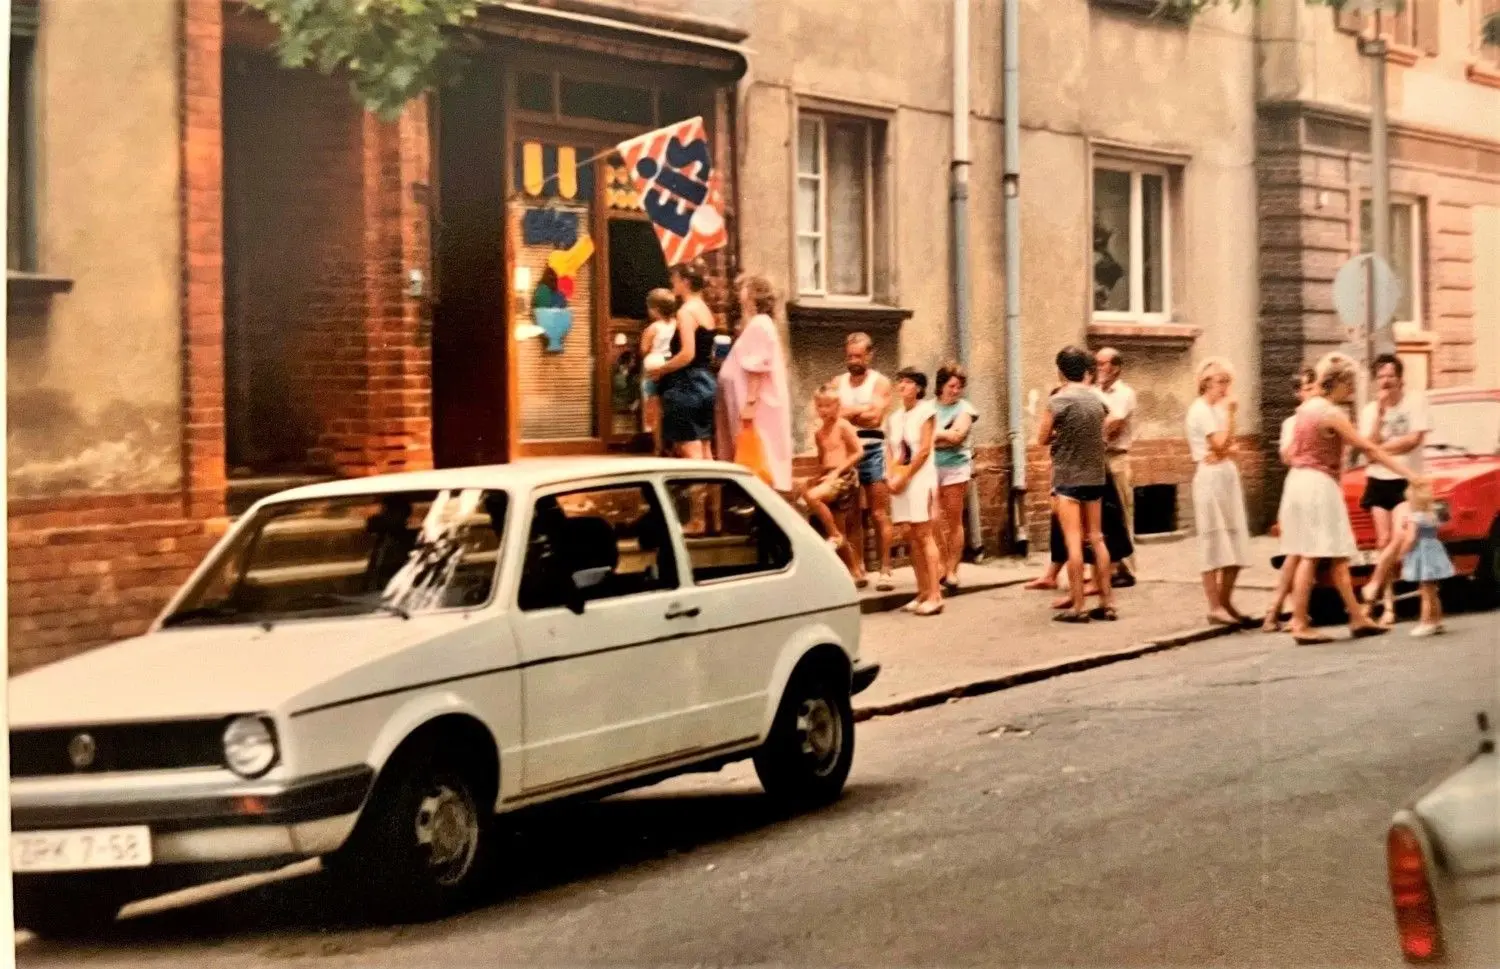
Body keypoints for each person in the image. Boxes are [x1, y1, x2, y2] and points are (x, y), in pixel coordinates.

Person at [1279, 352, 1410, 645]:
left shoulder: (1308, 407)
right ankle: (1300, 621)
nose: (1351, 390)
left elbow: (1290, 452)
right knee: (1312, 554)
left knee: (1335, 555)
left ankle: (1357, 616)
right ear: (1337, 381)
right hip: (1318, 484)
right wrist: (1409, 475)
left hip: (1298, 482)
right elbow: (1369, 449)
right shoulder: (1331, 414)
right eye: (1349, 383)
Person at [1035, 346, 1116, 623]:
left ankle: (1079, 606)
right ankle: (1107, 602)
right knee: (1097, 537)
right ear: (1086, 371)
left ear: (1060, 371)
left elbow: (1042, 438)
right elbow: (1102, 431)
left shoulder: (1058, 400)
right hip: (1095, 476)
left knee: (1073, 542)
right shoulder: (1097, 401)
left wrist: (1060, 434)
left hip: (1068, 477)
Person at [1354, 354, 1430, 624]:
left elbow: (1413, 440)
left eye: (1390, 376)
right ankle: (1387, 607)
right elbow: (1366, 444)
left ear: (1400, 377)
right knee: (1383, 542)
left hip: (1405, 481)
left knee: (1402, 536)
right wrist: (1381, 414)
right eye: (1381, 377)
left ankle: (1373, 586)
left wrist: (1377, 451)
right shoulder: (1370, 410)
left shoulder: (1415, 401)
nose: (1386, 381)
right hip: (1378, 480)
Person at [1186, 359, 1253, 627]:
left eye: (1228, 381)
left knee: (1235, 539)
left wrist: (1226, 447)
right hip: (1210, 479)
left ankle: (1225, 601)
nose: (1226, 387)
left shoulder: (1219, 410)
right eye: (1221, 381)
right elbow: (1222, 444)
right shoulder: (1200, 410)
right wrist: (1232, 418)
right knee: (1213, 542)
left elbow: (1227, 447)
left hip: (1226, 475)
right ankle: (1214, 605)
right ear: (1206, 383)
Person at [716, 274, 793, 494]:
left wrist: (750, 402)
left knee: (758, 449)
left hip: (756, 405)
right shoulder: (758, 324)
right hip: (751, 401)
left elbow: (756, 367)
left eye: (744, 289)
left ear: (752, 295)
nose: (739, 294)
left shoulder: (759, 324)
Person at [834, 333, 896, 591]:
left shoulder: (879, 382)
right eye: (850, 355)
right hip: (847, 452)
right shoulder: (838, 382)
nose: (853, 361)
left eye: (858, 356)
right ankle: (857, 569)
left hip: (873, 451)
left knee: (879, 513)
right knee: (852, 516)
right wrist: (860, 411)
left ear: (869, 355)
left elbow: (875, 418)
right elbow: (832, 414)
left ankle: (885, 569)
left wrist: (848, 414)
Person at [1263, 367, 1319, 633]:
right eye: (1305, 389)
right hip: (1300, 486)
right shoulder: (1291, 423)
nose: (1310, 393)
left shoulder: (1322, 416)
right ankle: (1290, 613)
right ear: (1298, 393)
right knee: (1300, 552)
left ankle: (1277, 612)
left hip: (1310, 485)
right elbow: (1287, 457)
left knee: (1298, 553)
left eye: (1314, 387)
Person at [886, 367, 943, 616]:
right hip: (900, 480)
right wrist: (891, 476)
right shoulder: (894, 418)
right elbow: (891, 449)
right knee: (909, 535)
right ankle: (921, 592)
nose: (902, 387)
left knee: (923, 533)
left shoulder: (927, 412)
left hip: (920, 479)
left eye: (908, 382)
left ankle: (935, 595)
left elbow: (923, 451)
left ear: (919, 388)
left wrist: (905, 477)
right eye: (900, 382)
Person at [649, 260, 719, 459]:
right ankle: (712, 490)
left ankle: (698, 489)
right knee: (705, 446)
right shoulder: (705, 310)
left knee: (689, 447)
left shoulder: (685, 312)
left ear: (686, 282)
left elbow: (687, 353)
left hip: (688, 385)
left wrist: (661, 369)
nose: (672, 282)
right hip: (706, 382)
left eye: (675, 279)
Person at [804, 385, 864, 572]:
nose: (823, 410)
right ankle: (855, 572)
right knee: (839, 527)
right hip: (829, 477)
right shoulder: (819, 433)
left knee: (813, 497)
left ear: (837, 406)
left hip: (844, 476)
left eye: (827, 406)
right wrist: (817, 477)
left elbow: (858, 452)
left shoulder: (843, 426)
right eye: (819, 406)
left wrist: (837, 471)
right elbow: (823, 460)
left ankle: (834, 534)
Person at [932, 362, 978, 591]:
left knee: (953, 519)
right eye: (952, 386)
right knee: (932, 519)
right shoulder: (929, 408)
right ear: (941, 385)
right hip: (930, 468)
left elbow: (956, 437)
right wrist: (943, 435)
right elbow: (920, 439)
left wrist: (936, 436)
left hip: (955, 468)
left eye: (959, 386)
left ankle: (952, 569)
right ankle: (940, 563)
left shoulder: (965, 409)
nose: (956, 390)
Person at [1095, 347, 1138, 586]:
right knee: (1103, 515)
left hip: (1116, 457)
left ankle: (1127, 569)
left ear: (1116, 367)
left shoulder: (1123, 393)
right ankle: (1109, 567)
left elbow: (1113, 425)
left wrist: (1089, 430)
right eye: (1097, 364)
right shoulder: (1094, 391)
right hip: (1097, 458)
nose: (1099, 368)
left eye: (1103, 364)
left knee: (1122, 510)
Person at [1394, 477, 1453, 638]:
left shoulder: (1414, 518)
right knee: (1433, 590)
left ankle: (1426, 622)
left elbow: (1411, 538)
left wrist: (1402, 553)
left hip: (1422, 554)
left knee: (1425, 592)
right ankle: (1438, 621)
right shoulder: (1432, 516)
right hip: (1434, 551)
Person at [639, 288, 679, 455]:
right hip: (670, 365)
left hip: (654, 366)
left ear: (655, 310)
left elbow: (644, 349)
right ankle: (673, 444)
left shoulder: (653, 328)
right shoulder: (677, 324)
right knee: (668, 407)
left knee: (653, 407)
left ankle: (657, 447)